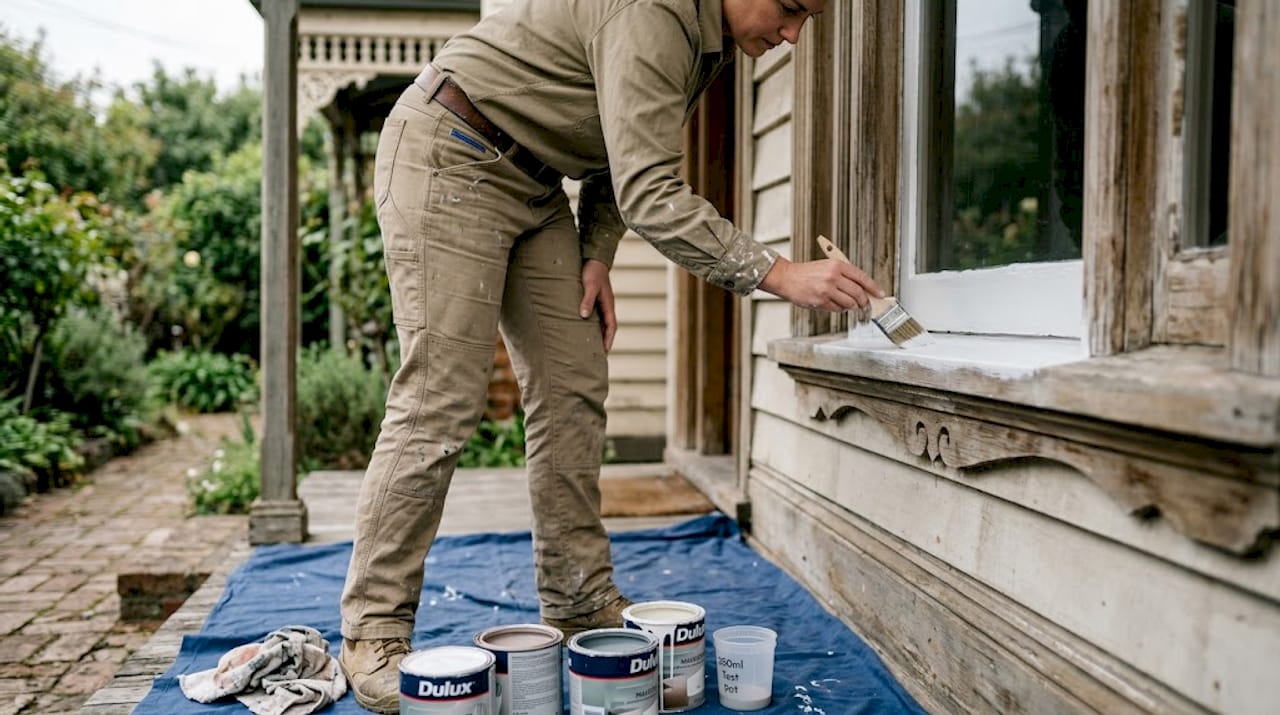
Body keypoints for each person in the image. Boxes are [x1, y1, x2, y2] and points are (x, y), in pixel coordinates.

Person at [338, 0, 881, 711]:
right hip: (453, 147)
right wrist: (778, 273)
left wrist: (595, 253)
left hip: (536, 186)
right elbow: (651, 193)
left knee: (572, 383)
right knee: (440, 396)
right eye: (789, 8)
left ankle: (578, 600)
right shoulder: (653, 13)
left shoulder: (709, 39)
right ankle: (374, 631)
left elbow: (623, 147)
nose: (793, 34)